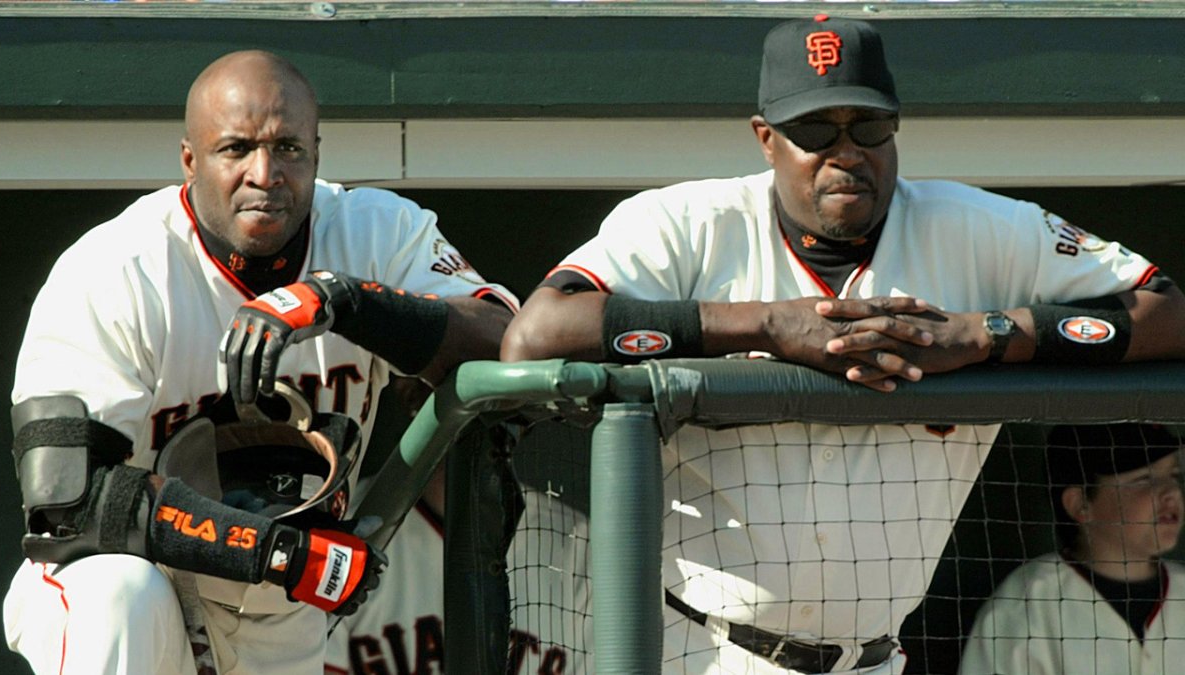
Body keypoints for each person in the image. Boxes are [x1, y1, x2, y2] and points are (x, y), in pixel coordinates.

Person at [500, 13, 1185, 674]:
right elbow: (535, 335)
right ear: (765, 138)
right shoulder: (687, 225)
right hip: (697, 648)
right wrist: (765, 325)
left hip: (874, 656)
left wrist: (989, 332)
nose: (846, 149)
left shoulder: (979, 230)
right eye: (816, 128)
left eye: (869, 124)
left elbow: (1168, 308)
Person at [4, 49, 517, 675]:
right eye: (236, 149)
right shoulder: (115, 269)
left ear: (318, 152)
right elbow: (67, 504)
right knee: (120, 596)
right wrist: (273, 552)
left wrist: (346, 300)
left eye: (289, 149)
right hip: (139, 571)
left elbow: (509, 346)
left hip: (281, 602)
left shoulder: (377, 233)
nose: (265, 173)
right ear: (189, 160)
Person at [959, 424, 1185, 675]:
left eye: (1174, 475)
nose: (1171, 492)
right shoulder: (1026, 602)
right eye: (1144, 479)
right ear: (1079, 503)